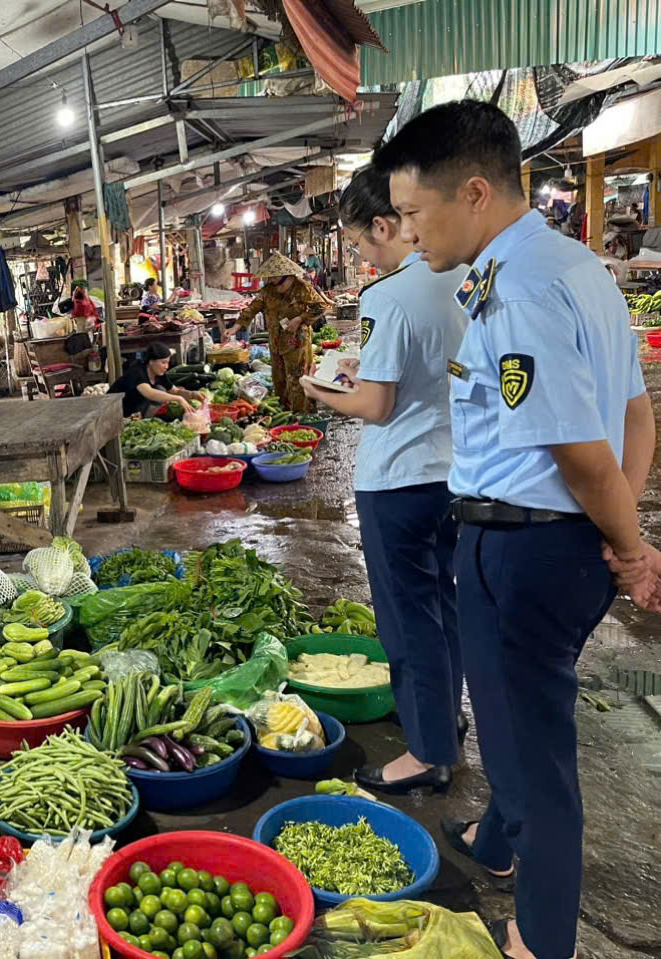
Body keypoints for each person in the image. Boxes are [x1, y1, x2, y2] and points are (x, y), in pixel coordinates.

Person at [377, 99, 660, 959]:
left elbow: (582, 454)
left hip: (521, 549)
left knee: (531, 754)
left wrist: (630, 547)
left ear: (473, 192)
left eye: (415, 214)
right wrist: (613, 533)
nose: (409, 234)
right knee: (513, 716)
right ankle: (493, 841)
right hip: (555, 543)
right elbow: (636, 413)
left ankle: (541, 934)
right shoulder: (574, 266)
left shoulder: (521, 292)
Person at [301, 166, 469, 796]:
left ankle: (426, 753)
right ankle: (444, 720)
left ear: (382, 225)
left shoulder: (388, 296)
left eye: (358, 243)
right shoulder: (460, 276)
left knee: (406, 618)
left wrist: (321, 391)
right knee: (444, 604)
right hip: (457, 472)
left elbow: (375, 405)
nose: (360, 257)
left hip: (398, 477)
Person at [234, 252, 327, 413]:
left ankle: (302, 413)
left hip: (297, 341)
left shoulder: (302, 288)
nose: (271, 280)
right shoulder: (268, 291)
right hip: (275, 341)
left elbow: (321, 306)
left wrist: (300, 319)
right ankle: (285, 412)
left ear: (284, 275)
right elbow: (252, 308)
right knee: (279, 379)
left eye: (274, 277)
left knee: (298, 378)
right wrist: (235, 327)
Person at [108, 341, 203, 419]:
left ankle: (143, 418)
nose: (166, 366)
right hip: (113, 411)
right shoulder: (137, 372)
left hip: (133, 410)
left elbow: (175, 391)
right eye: (163, 363)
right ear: (151, 361)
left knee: (161, 389)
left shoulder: (159, 374)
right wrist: (178, 399)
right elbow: (149, 392)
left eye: (168, 363)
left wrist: (192, 394)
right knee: (159, 390)